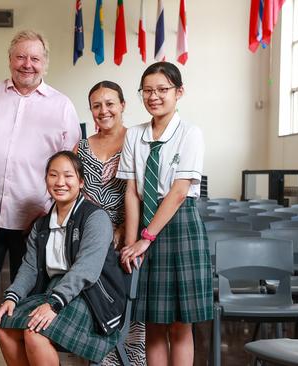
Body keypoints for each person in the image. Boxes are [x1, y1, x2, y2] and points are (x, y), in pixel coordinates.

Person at [0, 30, 81, 359]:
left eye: (35, 58)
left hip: (36, 224)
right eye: (21, 57)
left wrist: (53, 212)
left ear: (45, 64)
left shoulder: (62, 106)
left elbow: (71, 167)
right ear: (10, 59)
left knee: (30, 296)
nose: (28, 64)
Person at [117, 62, 213, 365]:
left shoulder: (190, 133)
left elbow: (179, 191)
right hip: (145, 222)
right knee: (152, 321)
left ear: (179, 92)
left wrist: (146, 238)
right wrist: (131, 244)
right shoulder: (134, 135)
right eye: (147, 90)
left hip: (179, 224)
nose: (154, 96)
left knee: (180, 324)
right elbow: (131, 192)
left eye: (162, 89)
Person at [0, 151, 127, 366]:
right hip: (54, 291)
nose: (60, 182)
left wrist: (54, 304)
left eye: (68, 175)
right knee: (3, 329)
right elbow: (29, 267)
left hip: (91, 295)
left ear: (81, 182)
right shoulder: (41, 225)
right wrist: (12, 297)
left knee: (34, 333)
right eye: (53, 175)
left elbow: (86, 269)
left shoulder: (95, 217)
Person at [74, 81, 145, 365]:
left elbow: (140, 193)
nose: (103, 110)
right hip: (89, 241)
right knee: (94, 308)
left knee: (130, 311)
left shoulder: (137, 140)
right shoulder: (80, 147)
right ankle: (99, 356)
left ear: (123, 105)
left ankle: (132, 357)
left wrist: (121, 231)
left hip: (127, 237)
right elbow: (74, 196)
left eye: (110, 103)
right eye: (96, 105)